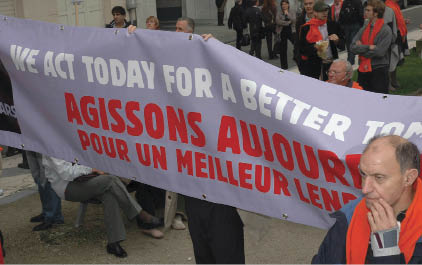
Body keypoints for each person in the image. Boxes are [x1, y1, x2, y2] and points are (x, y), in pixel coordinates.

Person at [130, 17, 245, 264]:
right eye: (175, 29)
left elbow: (238, 73)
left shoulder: (208, 62)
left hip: (220, 183)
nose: (176, 33)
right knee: (203, 248)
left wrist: (219, 50)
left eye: (181, 30)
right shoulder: (172, 65)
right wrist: (131, 40)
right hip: (194, 181)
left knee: (225, 246)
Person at [312, 135, 422, 263]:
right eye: (363, 174)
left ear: (408, 178)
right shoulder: (350, 215)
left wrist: (386, 251)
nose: (365, 189)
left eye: (379, 177)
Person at [42, 155, 163, 258]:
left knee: (109, 193)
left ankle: (113, 242)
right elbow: (66, 173)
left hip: (84, 178)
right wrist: (92, 169)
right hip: (67, 186)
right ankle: (141, 215)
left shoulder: (69, 135)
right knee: (110, 180)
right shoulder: (50, 143)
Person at [350, 0, 392, 94]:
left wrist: (361, 48)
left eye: (368, 10)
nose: (365, 12)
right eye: (365, 10)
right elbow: (352, 47)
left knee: (380, 100)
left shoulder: (385, 30)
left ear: (376, 13)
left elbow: (380, 52)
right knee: (363, 99)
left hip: (379, 70)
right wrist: (368, 47)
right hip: (363, 69)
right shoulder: (364, 27)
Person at [298, 1, 344, 81]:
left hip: (331, 63)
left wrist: (337, 41)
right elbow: (302, 50)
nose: (324, 13)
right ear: (315, 12)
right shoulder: (306, 28)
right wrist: (315, 47)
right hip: (315, 66)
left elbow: (342, 45)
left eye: (326, 10)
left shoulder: (333, 25)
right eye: (321, 11)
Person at [26, 151, 64, 231]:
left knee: (46, 176)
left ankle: (54, 217)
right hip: (28, 140)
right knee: (37, 174)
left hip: (43, 141)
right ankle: (46, 212)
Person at [385, 0, 409, 90]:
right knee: (390, 60)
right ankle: (388, 83)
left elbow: (397, 21)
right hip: (392, 38)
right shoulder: (388, 7)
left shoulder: (395, 5)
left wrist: (404, 22)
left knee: (395, 60)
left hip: (398, 36)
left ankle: (393, 81)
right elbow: (388, 25)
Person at [337, 0, 364, 65]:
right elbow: (361, 14)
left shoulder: (345, 2)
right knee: (351, 42)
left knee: (349, 43)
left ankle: (350, 60)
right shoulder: (357, 2)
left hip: (349, 25)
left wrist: (341, 24)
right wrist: (361, 24)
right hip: (353, 24)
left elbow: (341, 14)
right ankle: (350, 60)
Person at [294, 0, 315, 73]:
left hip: (319, 58)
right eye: (306, 4)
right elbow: (297, 40)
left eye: (310, 4)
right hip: (305, 59)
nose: (308, 6)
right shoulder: (300, 20)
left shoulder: (321, 18)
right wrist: (297, 58)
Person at [276, 0, 296, 69]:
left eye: (285, 4)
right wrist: (287, 23)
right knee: (283, 50)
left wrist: (288, 14)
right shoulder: (279, 12)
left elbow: (294, 20)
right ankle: (284, 67)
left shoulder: (292, 11)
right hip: (282, 31)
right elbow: (278, 21)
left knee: (296, 44)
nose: (284, 6)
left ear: (288, 5)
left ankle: (297, 58)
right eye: (283, 4)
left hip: (291, 31)